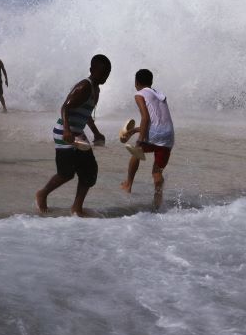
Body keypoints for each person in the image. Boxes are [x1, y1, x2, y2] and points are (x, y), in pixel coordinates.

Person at [36, 54, 110, 216]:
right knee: (66, 173)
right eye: (102, 73)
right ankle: (42, 194)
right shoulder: (85, 86)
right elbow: (65, 107)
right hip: (65, 131)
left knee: (89, 171)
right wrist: (67, 130)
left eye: (107, 74)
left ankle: (77, 208)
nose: (105, 77)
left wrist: (96, 133)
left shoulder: (96, 89)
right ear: (92, 70)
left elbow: (86, 114)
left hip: (77, 133)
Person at [119, 69, 174, 203]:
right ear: (151, 81)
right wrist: (134, 131)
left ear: (136, 82)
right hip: (168, 135)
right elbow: (157, 123)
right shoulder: (160, 95)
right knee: (157, 172)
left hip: (154, 134)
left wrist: (140, 140)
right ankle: (158, 201)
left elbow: (146, 118)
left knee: (136, 152)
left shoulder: (139, 94)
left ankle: (128, 184)